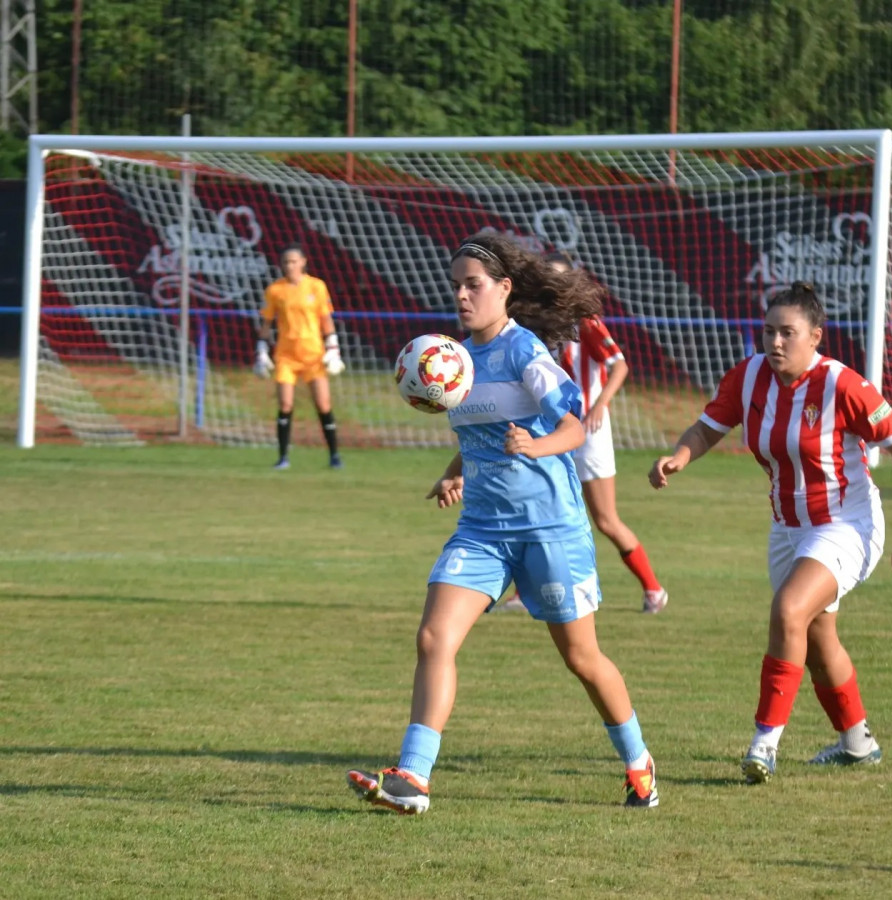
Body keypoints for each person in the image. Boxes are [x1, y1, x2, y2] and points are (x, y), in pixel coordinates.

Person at [346, 232, 660, 814]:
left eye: (474, 285)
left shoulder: (525, 353)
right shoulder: (453, 361)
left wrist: (535, 448)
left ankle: (639, 763)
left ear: (505, 290)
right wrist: (453, 472)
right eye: (456, 286)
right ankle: (413, 779)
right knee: (434, 637)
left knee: (582, 659)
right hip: (483, 530)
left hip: (550, 528)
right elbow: (481, 433)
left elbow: (574, 427)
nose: (462, 296)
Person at [648, 280, 892, 784]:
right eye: (768, 331)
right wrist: (680, 455)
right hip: (787, 528)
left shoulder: (842, 385)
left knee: (788, 609)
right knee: (816, 632)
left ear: (816, 337)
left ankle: (763, 746)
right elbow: (706, 428)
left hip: (847, 523)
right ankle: (856, 743)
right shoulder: (749, 377)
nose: (776, 342)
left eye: (788, 333)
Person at [550, 251, 667, 613]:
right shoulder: (534, 322)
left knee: (605, 519)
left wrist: (600, 405)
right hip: (551, 430)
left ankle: (653, 590)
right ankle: (528, 594)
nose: (552, 285)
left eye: (558, 279)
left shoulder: (585, 320)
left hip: (589, 429)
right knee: (542, 509)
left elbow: (619, 365)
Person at [254, 243, 345, 470]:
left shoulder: (317, 286)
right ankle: (283, 457)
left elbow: (326, 319)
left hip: (313, 354)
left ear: (303, 262)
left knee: (323, 404)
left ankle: (334, 455)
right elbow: (267, 323)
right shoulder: (275, 290)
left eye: (294, 261)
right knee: (285, 404)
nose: (290, 266)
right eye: (286, 262)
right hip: (286, 355)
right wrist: (261, 350)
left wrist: (333, 346)